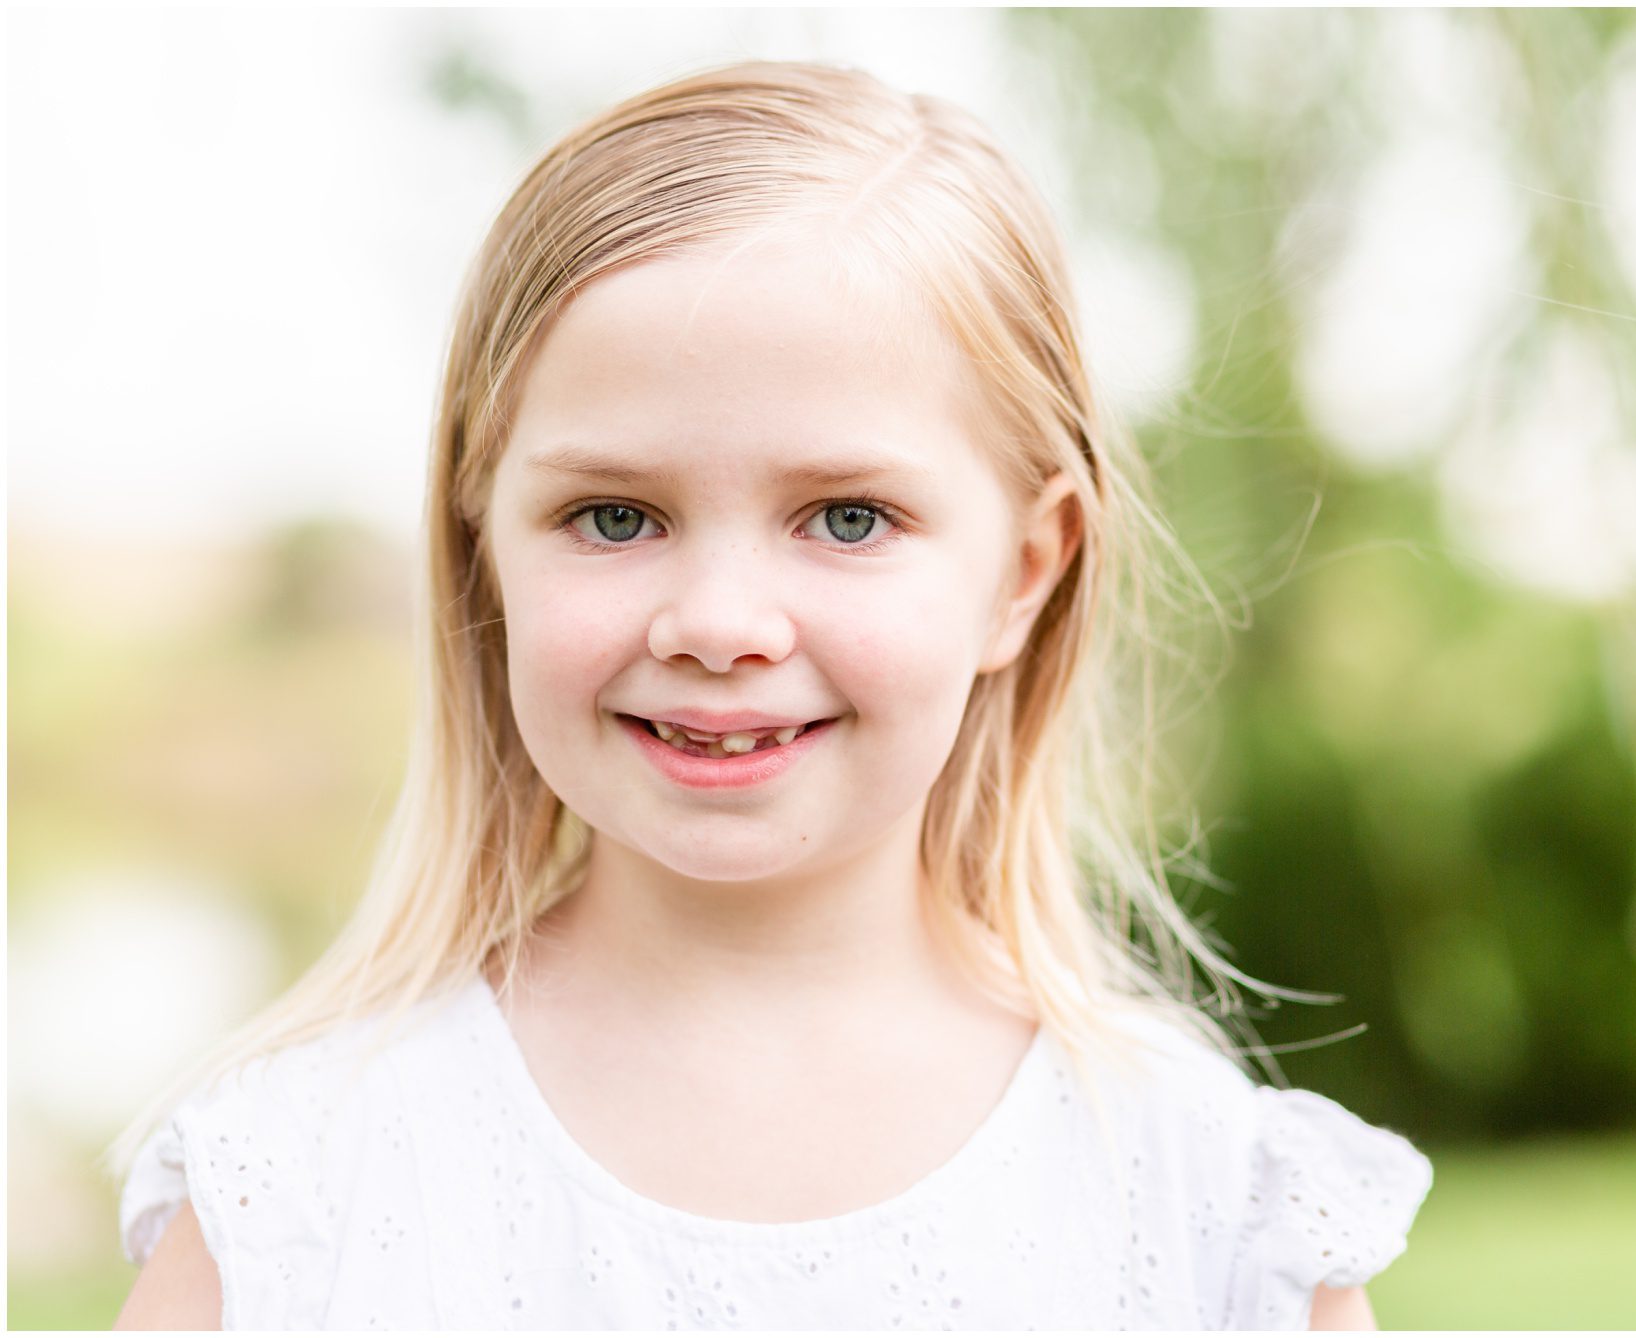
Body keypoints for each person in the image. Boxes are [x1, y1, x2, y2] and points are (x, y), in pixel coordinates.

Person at [109, 59, 1430, 1331]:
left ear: (1024, 572)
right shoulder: (300, 1195)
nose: (720, 624)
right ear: (484, 541)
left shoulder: (1208, 1208)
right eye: (614, 515)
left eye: (847, 517)